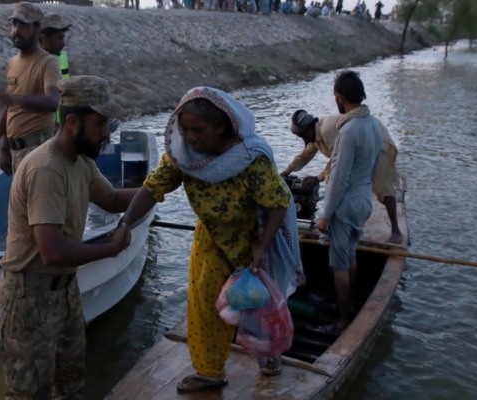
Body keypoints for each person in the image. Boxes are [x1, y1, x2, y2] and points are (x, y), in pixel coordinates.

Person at [119, 87, 304, 392]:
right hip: (211, 237)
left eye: (199, 130)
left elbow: (278, 202)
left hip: (252, 237)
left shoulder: (250, 159)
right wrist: (126, 222)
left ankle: (267, 354)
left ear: (221, 127)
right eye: (185, 129)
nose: (191, 137)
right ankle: (209, 371)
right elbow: (152, 189)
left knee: (257, 305)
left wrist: (262, 245)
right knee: (205, 303)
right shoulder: (182, 157)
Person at [0, 75, 134, 400]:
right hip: (29, 296)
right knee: (29, 394)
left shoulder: (81, 161)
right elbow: (53, 252)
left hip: (65, 292)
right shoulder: (47, 169)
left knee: (69, 385)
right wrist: (109, 249)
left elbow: (112, 200)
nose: (106, 133)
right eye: (100, 124)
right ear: (72, 122)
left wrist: (160, 187)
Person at [316, 71, 382, 330]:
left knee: (339, 266)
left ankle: (344, 319)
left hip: (345, 205)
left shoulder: (350, 129)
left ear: (339, 96)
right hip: (363, 201)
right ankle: (351, 302)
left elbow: (339, 179)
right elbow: (374, 165)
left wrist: (325, 216)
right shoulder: (373, 123)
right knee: (350, 254)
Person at [281, 108, 403, 244]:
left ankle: (396, 231)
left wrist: (317, 178)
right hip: (360, 146)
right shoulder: (315, 135)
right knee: (335, 181)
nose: (303, 139)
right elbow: (305, 155)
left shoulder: (327, 130)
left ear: (309, 128)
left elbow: (335, 160)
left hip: (376, 141)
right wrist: (286, 172)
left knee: (383, 187)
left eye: (302, 136)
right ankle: (338, 223)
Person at [0, 2, 62, 175]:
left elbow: (53, 102)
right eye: (14, 24)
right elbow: (10, 111)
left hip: (38, 151)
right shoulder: (12, 63)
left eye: (24, 25)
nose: (17, 30)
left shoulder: (48, 63)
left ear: (37, 30)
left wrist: (15, 99)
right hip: (16, 152)